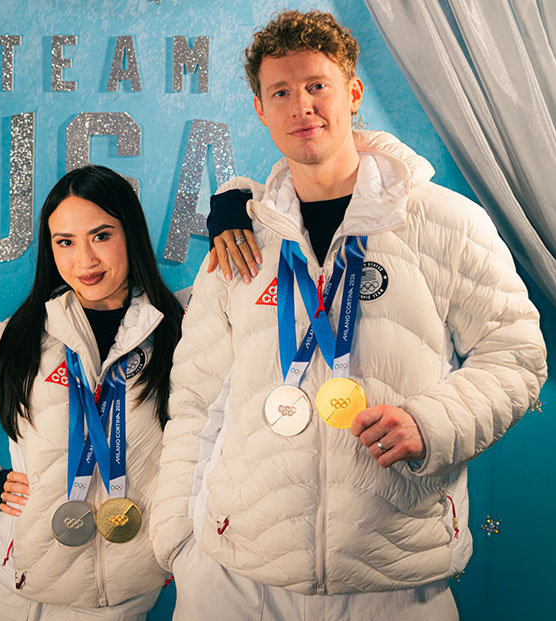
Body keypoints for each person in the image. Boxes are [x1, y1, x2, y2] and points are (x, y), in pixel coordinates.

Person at [151, 10, 547, 620]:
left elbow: (517, 354)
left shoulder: (444, 221)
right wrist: (177, 542)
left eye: (317, 86)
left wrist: (433, 423)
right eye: (280, 92)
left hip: (394, 574)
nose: (301, 105)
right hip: (236, 576)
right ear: (261, 109)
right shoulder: (242, 241)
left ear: (352, 93)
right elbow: (196, 399)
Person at [0, 165, 184, 620]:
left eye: (101, 235)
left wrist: (231, 210)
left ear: (132, 233)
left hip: (122, 596)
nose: (84, 260)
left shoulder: (182, 331)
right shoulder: (18, 340)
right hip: (14, 593)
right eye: (65, 241)